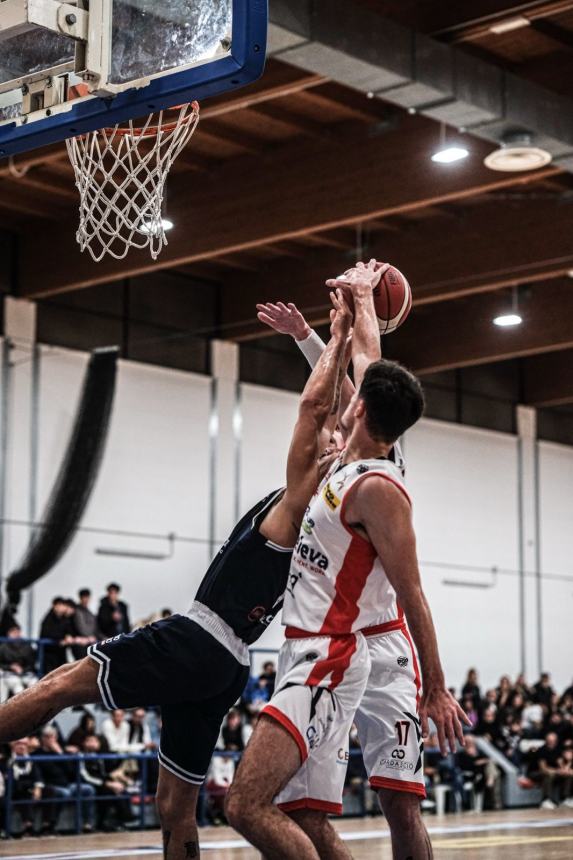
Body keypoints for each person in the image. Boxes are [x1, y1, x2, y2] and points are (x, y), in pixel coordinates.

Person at [0, 294, 352, 860]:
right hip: (229, 665)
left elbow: (317, 408)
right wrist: (311, 341)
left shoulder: (302, 500)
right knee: (176, 806)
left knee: (58, 686)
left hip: (197, 638)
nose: (332, 435)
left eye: (339, 441)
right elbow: (341, 410)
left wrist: (333, 335)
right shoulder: (329, 523)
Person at [226, 262, 468, 860]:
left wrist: (436, 685)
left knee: (399, 803)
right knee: (303, 810)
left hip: (369, 646)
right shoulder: (348, 458)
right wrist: (349, 314)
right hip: (333, 642)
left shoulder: (377, 486)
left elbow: (414, 594)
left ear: (360, 410)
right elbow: (361, 369)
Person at [0, 624, 38, 699]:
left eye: (17, 631)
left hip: (25, 673)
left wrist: (23, 669)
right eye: (13, 632)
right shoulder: (3, 647)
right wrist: (11, 667)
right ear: (8, 633)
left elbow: (31, 663)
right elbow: (1, 664)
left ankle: (35, 708)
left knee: (35, 684)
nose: (16, 634)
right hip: (9, 674)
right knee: (18, 689)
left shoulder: (27, 645)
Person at [39, 597, 74, 674]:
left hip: (60, 652)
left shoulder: (64, 618)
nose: (64, 607)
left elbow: (68, 629)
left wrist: (68, 636)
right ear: (55, 606)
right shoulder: (48, 619)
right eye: (61, 605)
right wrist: (61, 639)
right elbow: (48, 633)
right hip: (49, 653)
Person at [72, 589, 100, 659]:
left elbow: (95, 627)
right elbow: (82, 628)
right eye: (84, 597)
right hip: (80, 645)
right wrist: (89, 637)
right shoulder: (77, 611)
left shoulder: (89, 612)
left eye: (87, 597)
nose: (86, 599)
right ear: (80, 598)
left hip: (89, 643)